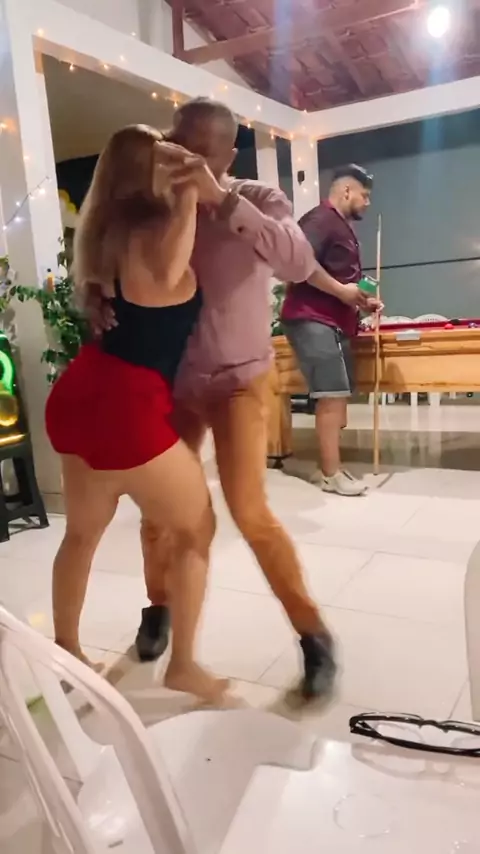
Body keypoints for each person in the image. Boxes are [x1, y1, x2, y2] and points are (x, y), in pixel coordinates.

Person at [85, 99, 371, 700]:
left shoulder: (258, 198)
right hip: (172, 384)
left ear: (225, 153)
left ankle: (312, 634)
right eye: (176, 141)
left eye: (197, 149)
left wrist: (220, 199)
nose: (181, 157)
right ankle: (158, 608)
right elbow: (104, 229)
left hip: (240, 381)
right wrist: (91, 285)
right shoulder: (156, 202)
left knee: (249, 511)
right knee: (160, 515)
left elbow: (297, 260)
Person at [46, 124, 228, 703]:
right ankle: (184, 666)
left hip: (85, 391)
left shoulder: (103, 232)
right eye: (166, 155)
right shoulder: (154, 234)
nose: (180, 160)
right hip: (127, 403)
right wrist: (192, 193)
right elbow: (172, 274)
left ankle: (66, 654)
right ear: (145, 170)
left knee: (81, 534)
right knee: (196, 528)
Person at [282, 164, 381, 497]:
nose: (367, 202)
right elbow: (299, 264)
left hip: (331, 319)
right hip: (313, 318)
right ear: (346, 191)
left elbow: (340, 279)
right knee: (331, 396)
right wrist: (342, 292)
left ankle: (333, 468)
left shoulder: (340, 226)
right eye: (364, 195)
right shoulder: (320, 220)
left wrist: (360, 300)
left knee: (338, 396)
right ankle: (330, 474)